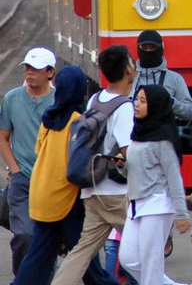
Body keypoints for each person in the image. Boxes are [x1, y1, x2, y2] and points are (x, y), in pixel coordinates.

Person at [13, 66, 118, 285]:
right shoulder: (78, 121)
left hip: (41, 192)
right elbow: (79, 162)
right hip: (65, 197)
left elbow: (39, 151)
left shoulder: (49, 117)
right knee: (84, 257)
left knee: (39, 256)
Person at [52, 45, 137, 285]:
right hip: (116, 193)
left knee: (82, 251)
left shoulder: (94, 99)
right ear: (127, 70)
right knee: (147, 246)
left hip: (91, 189)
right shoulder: (124, 107)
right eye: (131, 62)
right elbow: (128, 154)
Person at [118, 84, 191, 284]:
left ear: (156, 105)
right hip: (136, 204)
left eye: (143, 101)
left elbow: (174, 176)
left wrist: (181, 214)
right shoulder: (139, 132)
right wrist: (121, 165)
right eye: (137, 99)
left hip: (157, 204)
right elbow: (134, 169)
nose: (137, 104)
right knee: (129, 259)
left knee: (151, 263)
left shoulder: (163, 138)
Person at [0, 46, 56, 276]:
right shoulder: (12, 99)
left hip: (51, 181)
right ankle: (23, 277)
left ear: (50, 72)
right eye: (27, 68)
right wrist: (14, 169)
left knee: (47, 236)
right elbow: (3, 137)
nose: (29, 73)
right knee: (25, 235)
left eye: (36, 69)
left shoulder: (58, 101)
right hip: (22, 179)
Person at [131, 30, 192, 122]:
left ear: (161, 48)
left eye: (152, 47)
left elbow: (189, 112)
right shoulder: (130, 78)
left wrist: (170, 102)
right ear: (138, 49)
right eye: (144, 48)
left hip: (164, 133)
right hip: (134, 133)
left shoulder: (175, 79)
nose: (148, 51)